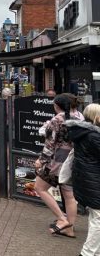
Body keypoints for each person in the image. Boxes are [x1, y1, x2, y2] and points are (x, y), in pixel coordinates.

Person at [34, 93, 80, 238]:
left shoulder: (57, 120)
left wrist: (41, 160)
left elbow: (50, 144)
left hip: (57, 161)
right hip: (73, 160)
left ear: (57, 106)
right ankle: (69, 228)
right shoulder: (79, 117)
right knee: (69, 195)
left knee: (39, 188)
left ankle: (62, 219)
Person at [65, 103, 100, 254]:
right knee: (98, 219)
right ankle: (87, 252)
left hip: (86, 180)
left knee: (95, 216)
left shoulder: (81, 132)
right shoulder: (94, 136)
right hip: (93, 181)